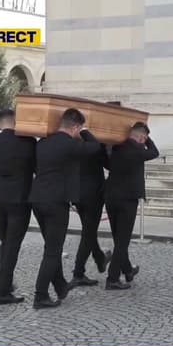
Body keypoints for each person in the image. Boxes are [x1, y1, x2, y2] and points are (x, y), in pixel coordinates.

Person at [28, 109, 103, 309]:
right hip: (56, 201)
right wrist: (85, 131)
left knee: (50, 246)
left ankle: (60, 286)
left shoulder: (43, 142)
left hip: (37, 198)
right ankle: (40, 295)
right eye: (79, 128)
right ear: (75, 127)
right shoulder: (70, 144)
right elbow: (95, 146)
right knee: (53, 251)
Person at [0, 109, 37, 305]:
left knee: (5, 241)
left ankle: (6, 283)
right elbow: (36, 167)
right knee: (12, 245)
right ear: (17, 121)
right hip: (19, 197)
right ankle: (3, 290)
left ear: (0, 123)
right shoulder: (27, 142)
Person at [103, 122, 160, 290]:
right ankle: (112, 278)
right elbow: (155, 152)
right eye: (144, 138)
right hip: (127, 200)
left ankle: (128, 270)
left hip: (111, 197)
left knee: (118, 237)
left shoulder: (115, 147)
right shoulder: (138, 150)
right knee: (123, 241)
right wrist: (147, 139)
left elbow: (107, 163)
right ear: (141, 138)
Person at [70, 123, 112, 288]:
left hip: (76, 192)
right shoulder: (94, 145)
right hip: (93, 194)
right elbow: (108, 164)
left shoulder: (71, 143)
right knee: (88, 233)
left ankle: (99, 257)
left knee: (89, 229)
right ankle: (78, 273)